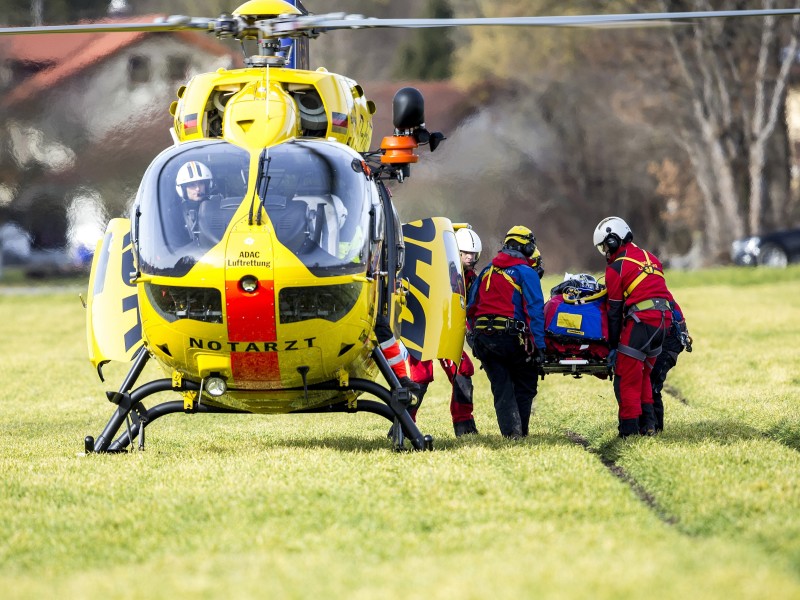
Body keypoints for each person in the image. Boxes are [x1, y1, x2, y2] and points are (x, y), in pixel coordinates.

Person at [593, 216, 677, 437]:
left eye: (605, 246)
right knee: (643, 376)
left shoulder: (616, 268)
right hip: (663, 322)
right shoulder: (651, 258)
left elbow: (614, 311)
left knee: (626, 378)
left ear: (613, 241)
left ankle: (628, 432)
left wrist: (613, 344)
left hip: (642, 323)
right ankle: (648, 426)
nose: (605, 252)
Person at [466, 225, 546, 439]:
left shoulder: (486, 271)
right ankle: (520, 433)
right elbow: (535, 311)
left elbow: (471, 307)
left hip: (485, 340)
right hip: (512, 338)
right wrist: (539, 345)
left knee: (501, 388)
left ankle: (512, 434)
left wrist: (474, 337)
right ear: (526, 247)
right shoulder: (526, 272)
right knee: (525, 382)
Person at [408, 226, 483, 437]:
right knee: (420, 378)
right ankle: (404, 424)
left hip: (448, 334)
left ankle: (464, 425)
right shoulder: (433, 270)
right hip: (423, 332)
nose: (470, 258)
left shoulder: (470, 279)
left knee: (463, 372)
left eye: (473, 254)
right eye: (465, 253)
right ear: (455, 252)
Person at [646, 303, 692, 433]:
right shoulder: (656, 291)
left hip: (669, 342)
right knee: (649, 383)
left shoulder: (655, 295)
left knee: (650, 384)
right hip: (663, 338)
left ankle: (652, 428)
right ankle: (651, 427)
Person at [175, 160, 214, 240]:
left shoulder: (216, 207)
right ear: (183, 189)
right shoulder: (176, 215)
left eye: (201, 183)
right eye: (192, 185)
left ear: (207, 186)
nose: (198, 189)